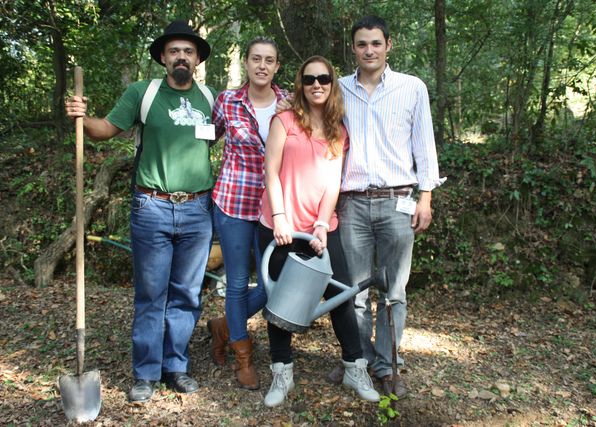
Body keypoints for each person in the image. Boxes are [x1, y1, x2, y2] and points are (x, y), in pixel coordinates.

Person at [65, 20, 215, 403]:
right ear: (163, 58)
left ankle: (176, 367)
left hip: (198, 208)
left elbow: (237, 135)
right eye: (173, 51)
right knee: (151, 294)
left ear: (197, 59)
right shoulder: (143, 94)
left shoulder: (210, 98)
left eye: (188, 51)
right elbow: (104, 130)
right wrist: (82, 117)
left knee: (187, 294)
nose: (181, 57)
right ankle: (145, 373)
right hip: (152, 207)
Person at [331, 16, 446, 398]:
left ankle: (389, 364)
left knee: (394, 290)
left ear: (388, 45)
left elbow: (423, 145)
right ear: (353, 48)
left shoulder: (411, 88)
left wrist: (426, 196)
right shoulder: (338, 89)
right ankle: (359, 362)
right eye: (362, 44)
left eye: (376, 43)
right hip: (351, 203)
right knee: (356, 291)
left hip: (399, 200)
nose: (369, 50)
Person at [257, 56, 379, 407]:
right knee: (280, 303)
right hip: (280, 228)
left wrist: (323, 224)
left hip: (321, 230)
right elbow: (271, 173)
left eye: (323, 78)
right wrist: (280, 217)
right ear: (301, 83)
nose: (316, 85)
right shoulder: (283, 121)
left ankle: (355, 368)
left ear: (331, 83)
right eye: (309, 79)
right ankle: (282, 373)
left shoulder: (338, 130)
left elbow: (332, 183)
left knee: (340, 297)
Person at [205, 37, 288, 390]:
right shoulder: (227, 101)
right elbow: (205, 139)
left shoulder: (289, 105)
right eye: (256, 59)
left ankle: (223, 326)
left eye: (269, 60)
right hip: (234, 202)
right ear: (247, 62)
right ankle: (243, 357)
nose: (262, 66)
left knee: (276, 284)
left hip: (275, 207)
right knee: (237, 282)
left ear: (277, 66)